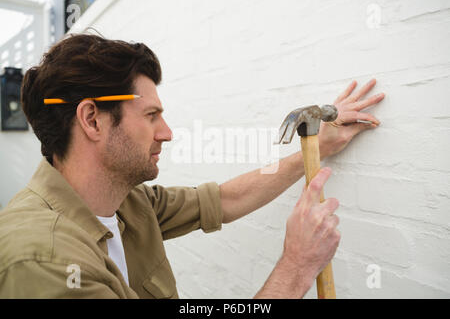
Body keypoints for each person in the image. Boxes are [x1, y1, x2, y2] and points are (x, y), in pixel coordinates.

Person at [0, 34, 384, 298]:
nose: (165, 133)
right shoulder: (45, 260)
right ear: (92, 120)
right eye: (151, 115)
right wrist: (297, 266)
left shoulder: (126, 204)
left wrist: (315, 145)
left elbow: (223, 200)